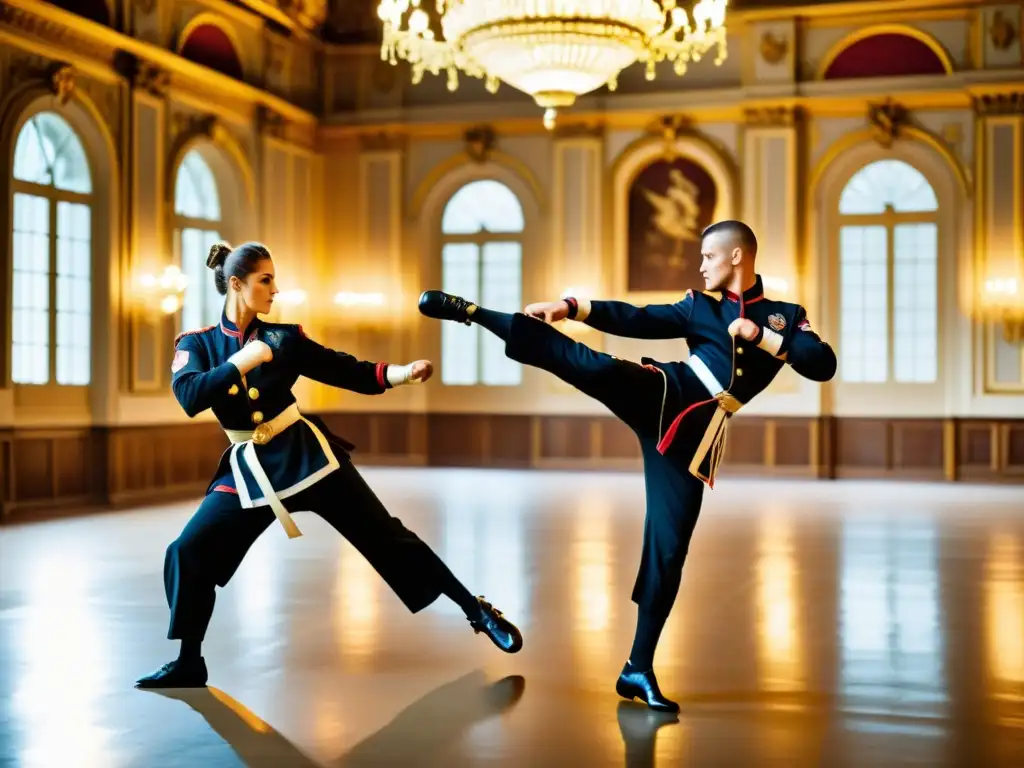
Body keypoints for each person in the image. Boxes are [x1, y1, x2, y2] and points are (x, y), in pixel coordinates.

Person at [417, 220, 836, 712]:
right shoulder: (698, 307)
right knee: (590, 365)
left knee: (669, 547)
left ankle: (637, 668)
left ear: (738, 257)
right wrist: (570, 307)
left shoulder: (786, 315)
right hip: (669, 394)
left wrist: (763, 337)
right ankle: (471, 312)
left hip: (694, 440)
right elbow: (637, 317)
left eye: (708, 257)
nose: (700, 266)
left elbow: (820, 363)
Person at [135, 241, 522, 689]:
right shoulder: (196, 343)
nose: (275, 289)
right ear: (237, 285)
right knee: (187, 550)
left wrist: (400, 373)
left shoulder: (284, 338)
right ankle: (188, 661)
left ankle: (475, 609)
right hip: (250, 467)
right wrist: (241, 362)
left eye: (274, 279)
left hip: (307, 458)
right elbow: (189, 397)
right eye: (266, 280)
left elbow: (345, 369)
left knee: (389, 536)